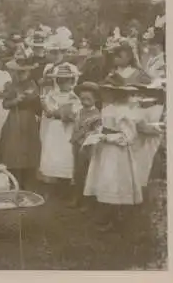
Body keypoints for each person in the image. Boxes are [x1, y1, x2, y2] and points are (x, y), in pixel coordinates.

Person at [83, 77, 141, 232]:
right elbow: (105, 126)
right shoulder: (108, 108)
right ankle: (107, 214)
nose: (105, 93)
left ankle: (116, 216)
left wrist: (108, 137)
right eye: (105, 90)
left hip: (117, 153)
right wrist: (97, 132)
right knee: (104, 180)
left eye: (108, 91)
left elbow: (128, 136)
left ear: (117, 92)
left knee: (114, 181)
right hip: (105, 151)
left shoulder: (124, 111)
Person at [39, 63, 82, 198]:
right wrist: (61, 112)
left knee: (66, 155)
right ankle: (54, 186)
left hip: (68, 130)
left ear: (73, 81)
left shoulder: (74, 97)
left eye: (67, 80)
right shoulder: (51, 95)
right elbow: (49, 112)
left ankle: (66, 186)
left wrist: (64, 113)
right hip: (55, 128)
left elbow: (75, 113)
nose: (63, 84)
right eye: (60, 80)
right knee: (53, 154)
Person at [0, 57, 42, 190]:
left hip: (28, 119)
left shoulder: (33, 85)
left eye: (24, 72)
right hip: (14, 119)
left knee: (28, 148)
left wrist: (30, 98)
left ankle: (27, 183)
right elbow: (5, 104)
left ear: (29, 73)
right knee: (13, 148)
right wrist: (15, 100)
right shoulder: (12, 86)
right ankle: (14, 181)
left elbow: (36, 102)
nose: (21, 75)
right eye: (18, 72)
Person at [68, 82, 102, 210]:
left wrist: (87, 135)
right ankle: (76, 197)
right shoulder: (79, 112)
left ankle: (88, 201)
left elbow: (96, 131)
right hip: (77, 145)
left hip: (88, 146)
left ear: (96, 99)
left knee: (88, 173)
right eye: (82, 99)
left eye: (88, 99)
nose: (85, 102)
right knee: (77, 172)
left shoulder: (97, 114)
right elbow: (75, 126)